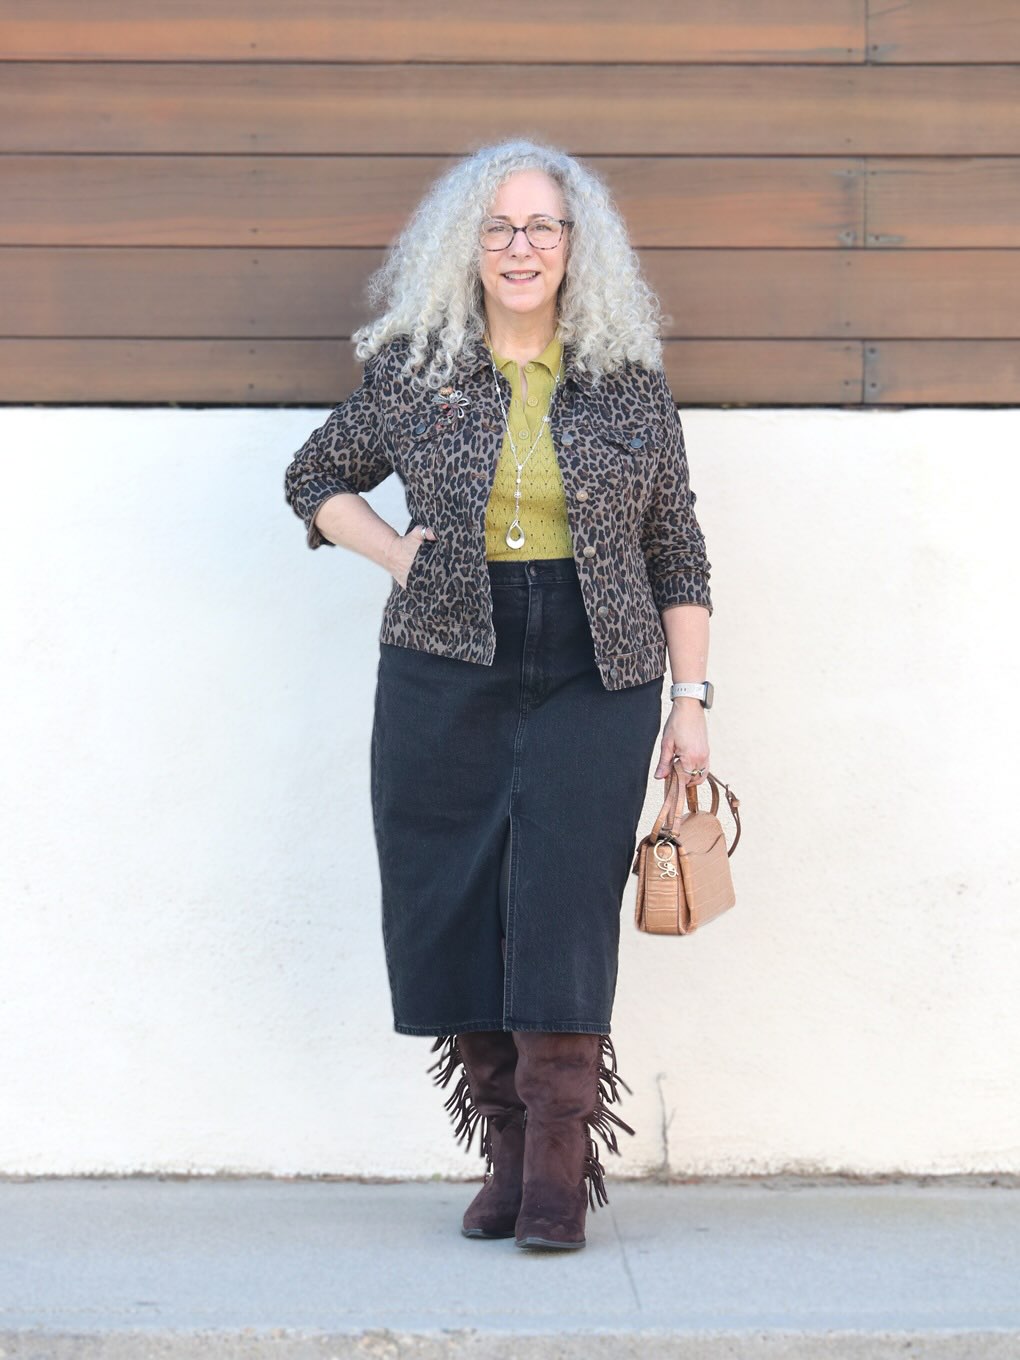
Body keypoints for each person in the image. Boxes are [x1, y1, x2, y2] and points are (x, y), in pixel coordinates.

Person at [283, 138, 714, 1251]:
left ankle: (561, 1162)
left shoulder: (627, 382)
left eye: (544, 228)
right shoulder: (421, 374)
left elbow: (679, 554)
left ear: (579, 249)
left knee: (562, 907)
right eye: (499, 228)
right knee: (460, 900)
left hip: (593, 668)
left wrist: (690, 697)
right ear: (465, 247)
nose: (522, 248)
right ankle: (508, 1153)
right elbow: (313, 476)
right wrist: (396, 553)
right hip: (444, 665)